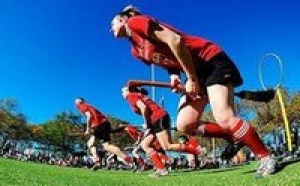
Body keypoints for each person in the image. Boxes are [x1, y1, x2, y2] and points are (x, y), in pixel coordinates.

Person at [111, 5, 277, 177]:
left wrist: (191, 78)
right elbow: (167, 60)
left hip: (209, 61)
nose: (111, 28)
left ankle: (266, 157)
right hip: (196, 73)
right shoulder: (135, 51)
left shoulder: (135, 22)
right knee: (185, 124)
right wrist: (174, 76)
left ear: (123, 19)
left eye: (113, 23)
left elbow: (175, 41)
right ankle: (234, 136)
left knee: (224, 117)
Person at [121, 86, 200, 177]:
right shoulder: (138, 95)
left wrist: (146, 123)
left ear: (128, 91)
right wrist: (149, 126)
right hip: (157, 119)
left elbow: (144, 108)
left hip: (158, 118)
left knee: (167, 146)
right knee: (145, 145)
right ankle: (161, 169)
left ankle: (197, 151)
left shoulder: (130, 96)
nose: (122, 93)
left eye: (123, 91)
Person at [75, 98, 132, 170]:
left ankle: (124, 157)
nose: (75, 103)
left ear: (80, 101)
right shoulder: (89, 106)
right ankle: (97, 161)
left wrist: (87, 128)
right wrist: (92, 126)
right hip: (103, 124)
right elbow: (95, 117)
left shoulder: (82, 106)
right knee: (91, 143)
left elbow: (89, 116)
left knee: (106, 146)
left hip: (101, 125)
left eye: (76, 101)